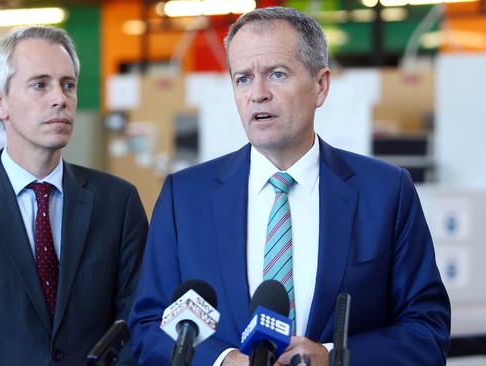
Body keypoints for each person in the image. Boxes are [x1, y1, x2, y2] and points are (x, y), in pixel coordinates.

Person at [129, 6, 450, 366]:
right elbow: (149, 325)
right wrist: (223, 360)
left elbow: (426, 329)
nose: (258, 93)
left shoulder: (386, 191)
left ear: (320, 85)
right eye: (243, 79)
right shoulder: (184, 197)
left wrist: (332, 357)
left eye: (276, 74)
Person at [0, 26, 148, 365]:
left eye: (68, 85)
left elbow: (136, 321)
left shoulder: (118, 202)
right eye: (40, 84)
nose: (59, 98)